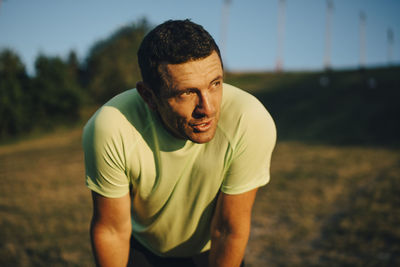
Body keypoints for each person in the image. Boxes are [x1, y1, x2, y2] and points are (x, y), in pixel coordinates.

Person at [82, 19, 276, 267]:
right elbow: (111, 230)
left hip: (210, 251)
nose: (208, 108)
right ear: (148, 96)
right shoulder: (110, 128)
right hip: (142, 249)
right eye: (186, 92)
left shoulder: (250, 121)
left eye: (215, 84)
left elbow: (228, 230)